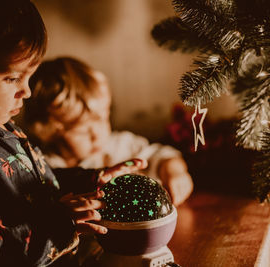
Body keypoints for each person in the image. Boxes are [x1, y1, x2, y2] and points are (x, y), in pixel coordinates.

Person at [0, 1, 147, 266]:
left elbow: (34, 190)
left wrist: (92, 181)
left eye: (29, 78)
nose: (26, 91)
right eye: (12, 78)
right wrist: (61, 226)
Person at [23, 57, 193, 206]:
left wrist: (174, 171)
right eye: (83, 130)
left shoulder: (120, 145)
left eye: (102, 119)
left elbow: (162, 154)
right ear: (51, 131)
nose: (97, 134)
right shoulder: (45, 166)